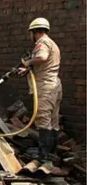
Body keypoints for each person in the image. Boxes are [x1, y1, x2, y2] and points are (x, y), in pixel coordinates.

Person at [19, 17, 62, 159]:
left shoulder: (42, 43)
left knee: (43, 119)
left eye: (31, 33)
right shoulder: (53, 44)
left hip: (45, 87)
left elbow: (42, 58)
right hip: (54, 85)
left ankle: (42, 155)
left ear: (34, 31)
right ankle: (52, 152)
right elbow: (45, 64)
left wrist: (28, 62)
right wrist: (27, 69)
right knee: (53, 121)